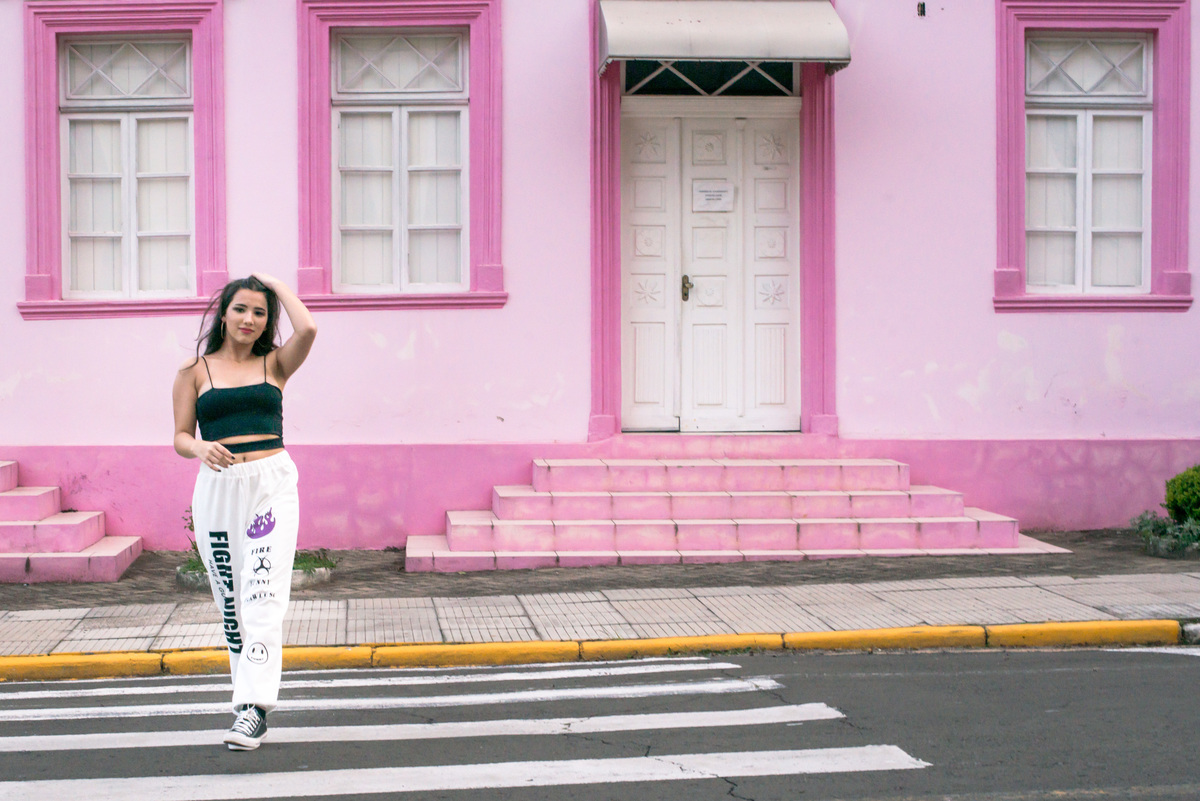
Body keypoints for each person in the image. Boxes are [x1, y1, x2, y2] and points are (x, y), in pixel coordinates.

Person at [171, 273, 316, 750]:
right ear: (224, 314)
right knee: (232, 603)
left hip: (272, 485)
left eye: (259, 312)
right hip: (218, 489)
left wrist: (273, 284)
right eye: (241, 309)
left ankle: (254, 708)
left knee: (264, 595)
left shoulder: (275, 364)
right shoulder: (194, 371)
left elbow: (308, 329)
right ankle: (245, 702)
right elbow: (180, 436)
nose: (249, 319)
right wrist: (200, 447)